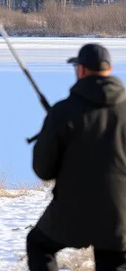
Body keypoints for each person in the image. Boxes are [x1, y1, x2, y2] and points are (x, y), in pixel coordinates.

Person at [27, 43, 126, 271]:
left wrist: (48, 134)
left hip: (73, 212)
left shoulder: (63, 112)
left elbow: (43, 169)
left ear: (81, 70)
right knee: (115, 257)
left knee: (39, 244)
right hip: (121, 214)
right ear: (109, 70)